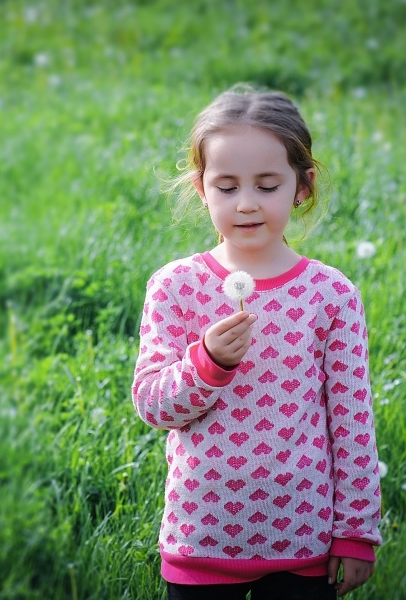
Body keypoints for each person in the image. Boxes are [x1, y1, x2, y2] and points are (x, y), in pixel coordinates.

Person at [131, 84, 382, 600]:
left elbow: (353, 419)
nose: (246, 204)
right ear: (202, 188)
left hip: (302, 540)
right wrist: (207, 364)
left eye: (267, 186)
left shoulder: (330, 294)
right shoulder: (175, 287)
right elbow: (153, 406)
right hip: (202, 535)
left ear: (302, 186)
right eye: (227, 187)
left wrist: (356, 532)